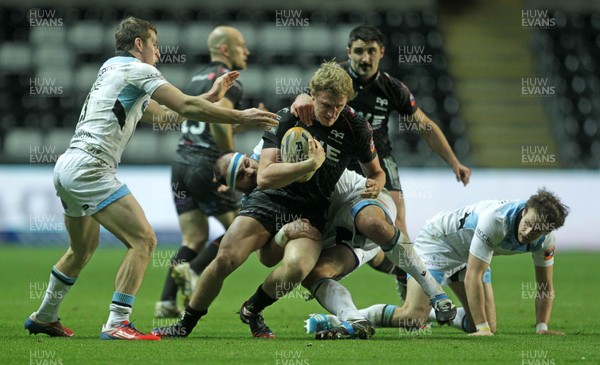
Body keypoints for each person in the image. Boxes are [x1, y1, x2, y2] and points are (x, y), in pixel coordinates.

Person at [23, 17, 278, 340]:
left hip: (68, 166)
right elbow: (184, 105)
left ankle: (44, 315)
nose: (159, 53)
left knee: (82, 249)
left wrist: (212, 96)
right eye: (155, 45)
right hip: (92, 167)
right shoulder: (140, 70)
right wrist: (240, 115)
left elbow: (166, 115)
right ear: (139, 44)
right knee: (144, 241)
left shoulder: (110, 71)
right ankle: (118, 322)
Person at [151, 61, 387, 339]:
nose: (332, 112)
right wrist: (309, 165)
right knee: (226, 257)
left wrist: (376, 184)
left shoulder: (357, 129)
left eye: (339, 105)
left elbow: (377, 172)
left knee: (297, 269)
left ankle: (252, 308)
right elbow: (264, 177)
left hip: (310, 211)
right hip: (270, 199)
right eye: (326, 105)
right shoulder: (289, 116)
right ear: (311, 95)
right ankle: (184, 324)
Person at [212, 151, 457, 340]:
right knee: (311, 273)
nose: (250, 172)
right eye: (241, 177)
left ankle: (434, 290)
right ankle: (353, 320)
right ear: (233, 188)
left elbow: (374, 165)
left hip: (359, 198)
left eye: (246, 164)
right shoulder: (258, 203)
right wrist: (284, 234)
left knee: (370, 222)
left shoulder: (276, 152)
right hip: (335, 230)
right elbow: (266, 258)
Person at [306, 189, 569, 336]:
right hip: (439, 241)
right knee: (413, 316)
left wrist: (542, 327)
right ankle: (340, 319)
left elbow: (545, 286)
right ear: (524, 211)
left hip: (469, 252)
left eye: (537, 231)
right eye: (528, 224)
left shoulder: (544, 240)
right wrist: (483, 330)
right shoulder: (497, 221)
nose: (528, 232)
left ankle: (440, 313)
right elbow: (473, 277)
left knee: (486, 322)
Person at [292, 25, 471, 237]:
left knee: (396, 222)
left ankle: (405, 270)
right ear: (348, 52)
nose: (365, 58)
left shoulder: (393, 89)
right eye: (359, 51)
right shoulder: (332, 80)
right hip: (338, 156)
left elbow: (425, 127)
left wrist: (454, 162)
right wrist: (300, 97)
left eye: (371, 51)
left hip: (378, 158)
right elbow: (305, 99)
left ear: (382, 53)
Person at [155, 25, 253, 318]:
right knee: (240, 229)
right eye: (241, 45)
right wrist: (230, 162)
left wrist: (241, 124)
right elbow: (218, 122)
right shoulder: (229, 81)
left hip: (181, 164)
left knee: (194, 238)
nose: (246, 51)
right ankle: (194, 272)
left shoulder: (196, 78)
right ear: (225, 49)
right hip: (206, 165)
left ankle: (166, 302)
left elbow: (204, 117)